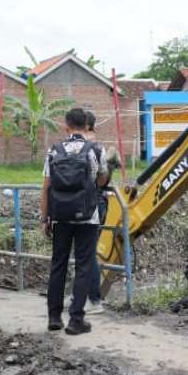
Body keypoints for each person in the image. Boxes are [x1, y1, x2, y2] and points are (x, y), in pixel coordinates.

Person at [42, 108, 108, 335]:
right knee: (83, 266)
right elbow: (101, 179)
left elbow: (46, 187)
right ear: (87, 126)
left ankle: (53, 317)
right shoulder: (96, 150)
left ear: (66, 126)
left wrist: (45, 217)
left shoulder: (54, 150)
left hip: (60, 216)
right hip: (87, 216)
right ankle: (76, 320)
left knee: (58, 264)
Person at [82, 111, 108, 314]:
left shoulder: (88, 147)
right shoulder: (98, 148)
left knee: (86, 254)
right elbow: (103, 177)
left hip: (82, 204)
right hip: (95, 200)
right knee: (84, 253)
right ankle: (81, 295)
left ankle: (94, 300)